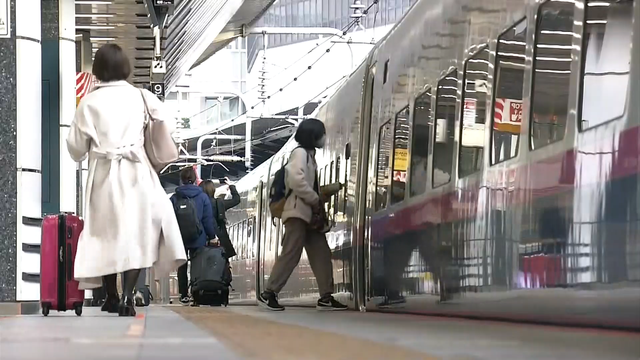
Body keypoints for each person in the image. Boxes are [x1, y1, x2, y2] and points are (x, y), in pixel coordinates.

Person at [67, 44, 187, 317]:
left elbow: (75, 149)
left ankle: (110, 295)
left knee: (104, 235)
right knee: (136, 235)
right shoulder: (141, 96)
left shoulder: (89, 102)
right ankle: (128, 297)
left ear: (97, 69)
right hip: (137, 174)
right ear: (125, 68)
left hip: (103, 177)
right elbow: (170, 128)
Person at [258, 118, 348, 311]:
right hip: (297, 213)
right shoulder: (299, 154)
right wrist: (315, 199)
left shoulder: (309, 155)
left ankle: (326, 296)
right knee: (291, 253)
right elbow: (296, 180)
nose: (324, 138)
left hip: (307, 214)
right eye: (321, 134)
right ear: (313, 135)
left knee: (321, 253)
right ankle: (269, 293)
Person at [170, 167, 218, 305]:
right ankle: (196, 293)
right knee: (198, 266)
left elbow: (170, 220)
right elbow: (207, 220)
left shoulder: (174, 198)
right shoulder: (202, 197)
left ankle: (183, 295)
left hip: (180, 238)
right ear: (195, 180)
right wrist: (212, 236)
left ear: (181, 180)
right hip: (199, 237)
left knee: (182, 267)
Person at [199, 178, 240, 258]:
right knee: (221, 265)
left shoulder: (198, 205)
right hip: (220, 242)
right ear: (213, 190)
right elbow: (236, 200)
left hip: (203, 242)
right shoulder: (219, 203)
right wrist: (231, 186)